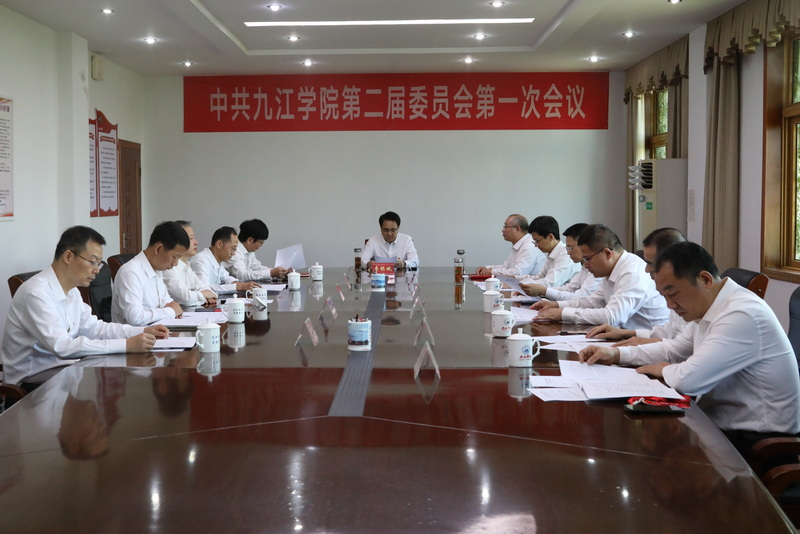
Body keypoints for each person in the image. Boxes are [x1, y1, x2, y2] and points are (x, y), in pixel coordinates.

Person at [579, 242, 800, 457]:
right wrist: (616, 354)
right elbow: (674, 350)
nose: (670, 305)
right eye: (664, 296)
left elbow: (689, 379)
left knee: (647, 456)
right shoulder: (711, 307)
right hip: (718, 428)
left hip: (756, 444)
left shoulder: (741, 314)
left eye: (673, 294)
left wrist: (663, 369)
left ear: (705, 279)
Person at [0, 226, 168, 388]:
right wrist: (126, 345)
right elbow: (62, 347)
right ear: (68, 256)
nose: (97, 270)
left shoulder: (72, 291)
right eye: (92, 262)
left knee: (124, 378)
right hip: (32, 383)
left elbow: (95, 328)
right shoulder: (36, 293)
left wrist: (142, 331)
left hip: (65, 372)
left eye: (99, 263)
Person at [532, 224, 669, 330]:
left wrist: (563, 313)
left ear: (607, 254)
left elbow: (612, 317)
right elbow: (594, 301)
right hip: (625, 336)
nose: (585, 265)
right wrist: (557, 305)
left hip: (649, 342)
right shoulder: (611, 269)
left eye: (587, 259)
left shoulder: (632, 273)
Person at [586, 227, 688, 346]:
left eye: (650, 263)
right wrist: (625, 334)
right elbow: (668, 333)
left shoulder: (633, 273)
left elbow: (681, 348)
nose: (646, 269)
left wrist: (624, 350)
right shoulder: (676, 290)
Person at [112, 221, 188, 326]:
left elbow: (168, 303)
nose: (175, 263)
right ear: (158, 249)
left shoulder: (157, 270)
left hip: (157, 331)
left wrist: (174, 311)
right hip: (135, 335)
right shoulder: (130, 273)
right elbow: (135, 318)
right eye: (175, 257)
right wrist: (170, 312)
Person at [520, 223, 602, 300]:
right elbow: (569, 288)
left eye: (571, 248)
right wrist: (540, 290)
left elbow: (581, 297)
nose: (568, 252)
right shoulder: (585, 266)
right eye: (567, 248)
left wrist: (544, 291)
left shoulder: (598, 268)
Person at [162, 220, 217, 308]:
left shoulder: (186, 265)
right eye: (191, 238)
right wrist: (203, 296)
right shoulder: (169, 267)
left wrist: (202, 295)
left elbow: (205, 288)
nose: (196, 242)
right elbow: (185, 298)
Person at [190, 226, 260, 294]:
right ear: (219, 244)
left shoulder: (217, 260)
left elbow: (225, 277)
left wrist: (236, 283)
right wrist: (237, 287)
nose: (234, 253)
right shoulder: (200, 260)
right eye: (233, 248)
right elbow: (204, 289)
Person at [516, 216, 580, 288]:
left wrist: (519, 285)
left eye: (537, 241)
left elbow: (550, 283)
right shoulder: (551, 254)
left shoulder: (566, 255)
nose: (536, 245)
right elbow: (539, 277)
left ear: (550, 237)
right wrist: (515, 279)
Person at [476, 214, 545, 277]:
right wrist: (487, 268)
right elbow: (506, 267)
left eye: (506, 227)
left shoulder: (529, 246)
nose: (503, 230)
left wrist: (491, 271)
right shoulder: (519, 245)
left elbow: (518, 273)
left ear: (517, 229)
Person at [223, 219, 289, 281]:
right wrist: (271, 273)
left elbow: (257, 268)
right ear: (250, 240)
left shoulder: (250, 252)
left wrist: (280, 272)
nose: (261, 246)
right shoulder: (234, 252)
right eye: (261, 243)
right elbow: (242, 276)